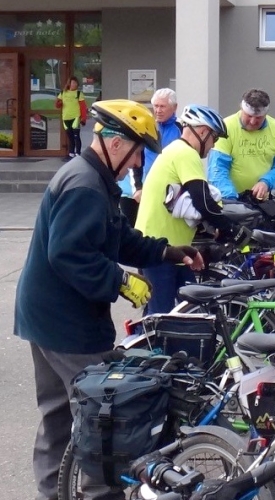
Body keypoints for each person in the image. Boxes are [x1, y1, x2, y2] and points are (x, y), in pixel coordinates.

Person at [14, 99, 205, 500]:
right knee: (102, 412)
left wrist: (168, 252)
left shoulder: (95, 179)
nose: (138, 162)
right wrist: (119, 282)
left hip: (45, 315)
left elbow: (120, 239)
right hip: (66, 323)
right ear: (115, 144)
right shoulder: (84, 186)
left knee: (60, 414)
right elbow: (69, 255)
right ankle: (100, 492)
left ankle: (54, 492)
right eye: (137, 152)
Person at [136, 104, 248, 315]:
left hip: (173, 248)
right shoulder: (185, 153)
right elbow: (203, 200)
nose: (213, 145)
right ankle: (136, 346)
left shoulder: (176, 151)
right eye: (214, 138)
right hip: (158, 249)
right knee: (161, 318)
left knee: (189, 310)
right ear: (203, 131)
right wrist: (229, 229)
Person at [208, 88, 275, 201]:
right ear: (241, 109)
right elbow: (217, 169)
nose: (252, 122)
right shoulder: (227, 127)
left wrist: (266, 182)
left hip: (265, 199)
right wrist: (231, 199)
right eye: (248, 116)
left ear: (266, 114)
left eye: (258, 118)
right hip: (231, 199)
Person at [118, 88, 181, 226]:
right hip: (133, 192)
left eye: (162, 106)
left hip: (160, 192)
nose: (158, 110)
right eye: (156, 106)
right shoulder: (145, 126)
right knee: (131, 233)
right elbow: (133, 157)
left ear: (174, 107)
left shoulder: (180, 129)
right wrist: (138, 188)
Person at [55, 76, 87, 161]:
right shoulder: (63, 93)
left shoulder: (78, 94)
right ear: (69, 83)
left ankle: (78, 154)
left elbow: (83, 107)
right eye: (73, 83)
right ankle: (71, 154)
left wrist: (83, 118)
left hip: (75, 117)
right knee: (70, 137)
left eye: (76, 83)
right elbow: (57, 105)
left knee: (76, 136)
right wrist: (59, 103)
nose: (74, 84)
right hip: (66, 117)